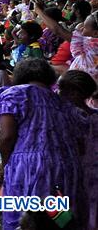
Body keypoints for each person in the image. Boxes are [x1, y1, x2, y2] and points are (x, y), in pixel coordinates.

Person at [0, 59, 86, 230]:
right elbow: (79, 143)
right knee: (59, 222)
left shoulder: (15, 94)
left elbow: (6, 136)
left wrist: (4, 164)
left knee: (26, 220)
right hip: (66, 167)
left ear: (20, 75)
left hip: (29, 168)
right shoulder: (63, 103)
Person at [57, 70, 98, 230]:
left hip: (75, 173)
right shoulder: (95, 116)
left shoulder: (67, 116)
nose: (57, 93)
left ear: (74, 93)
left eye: (61, 89)